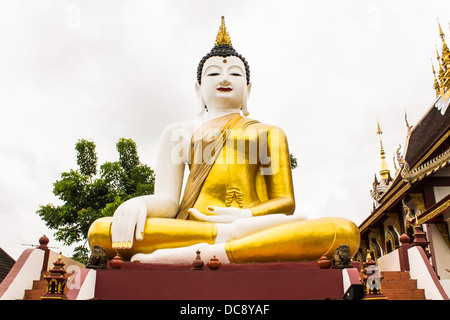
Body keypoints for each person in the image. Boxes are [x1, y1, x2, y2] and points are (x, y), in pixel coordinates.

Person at [88, 17, 360, 263]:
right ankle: (235, 243)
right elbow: (168, 201)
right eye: (214, 73)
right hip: (195, 226)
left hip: (256, 225)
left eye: (235, 74)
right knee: (102, 231)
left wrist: (247, 218)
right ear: (199, 89)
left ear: (248, 89)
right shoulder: (178, 132)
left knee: (343, 231)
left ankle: (205, 252)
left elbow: (286, 202)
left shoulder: (268, 132)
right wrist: (140, 204)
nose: (225, 78)